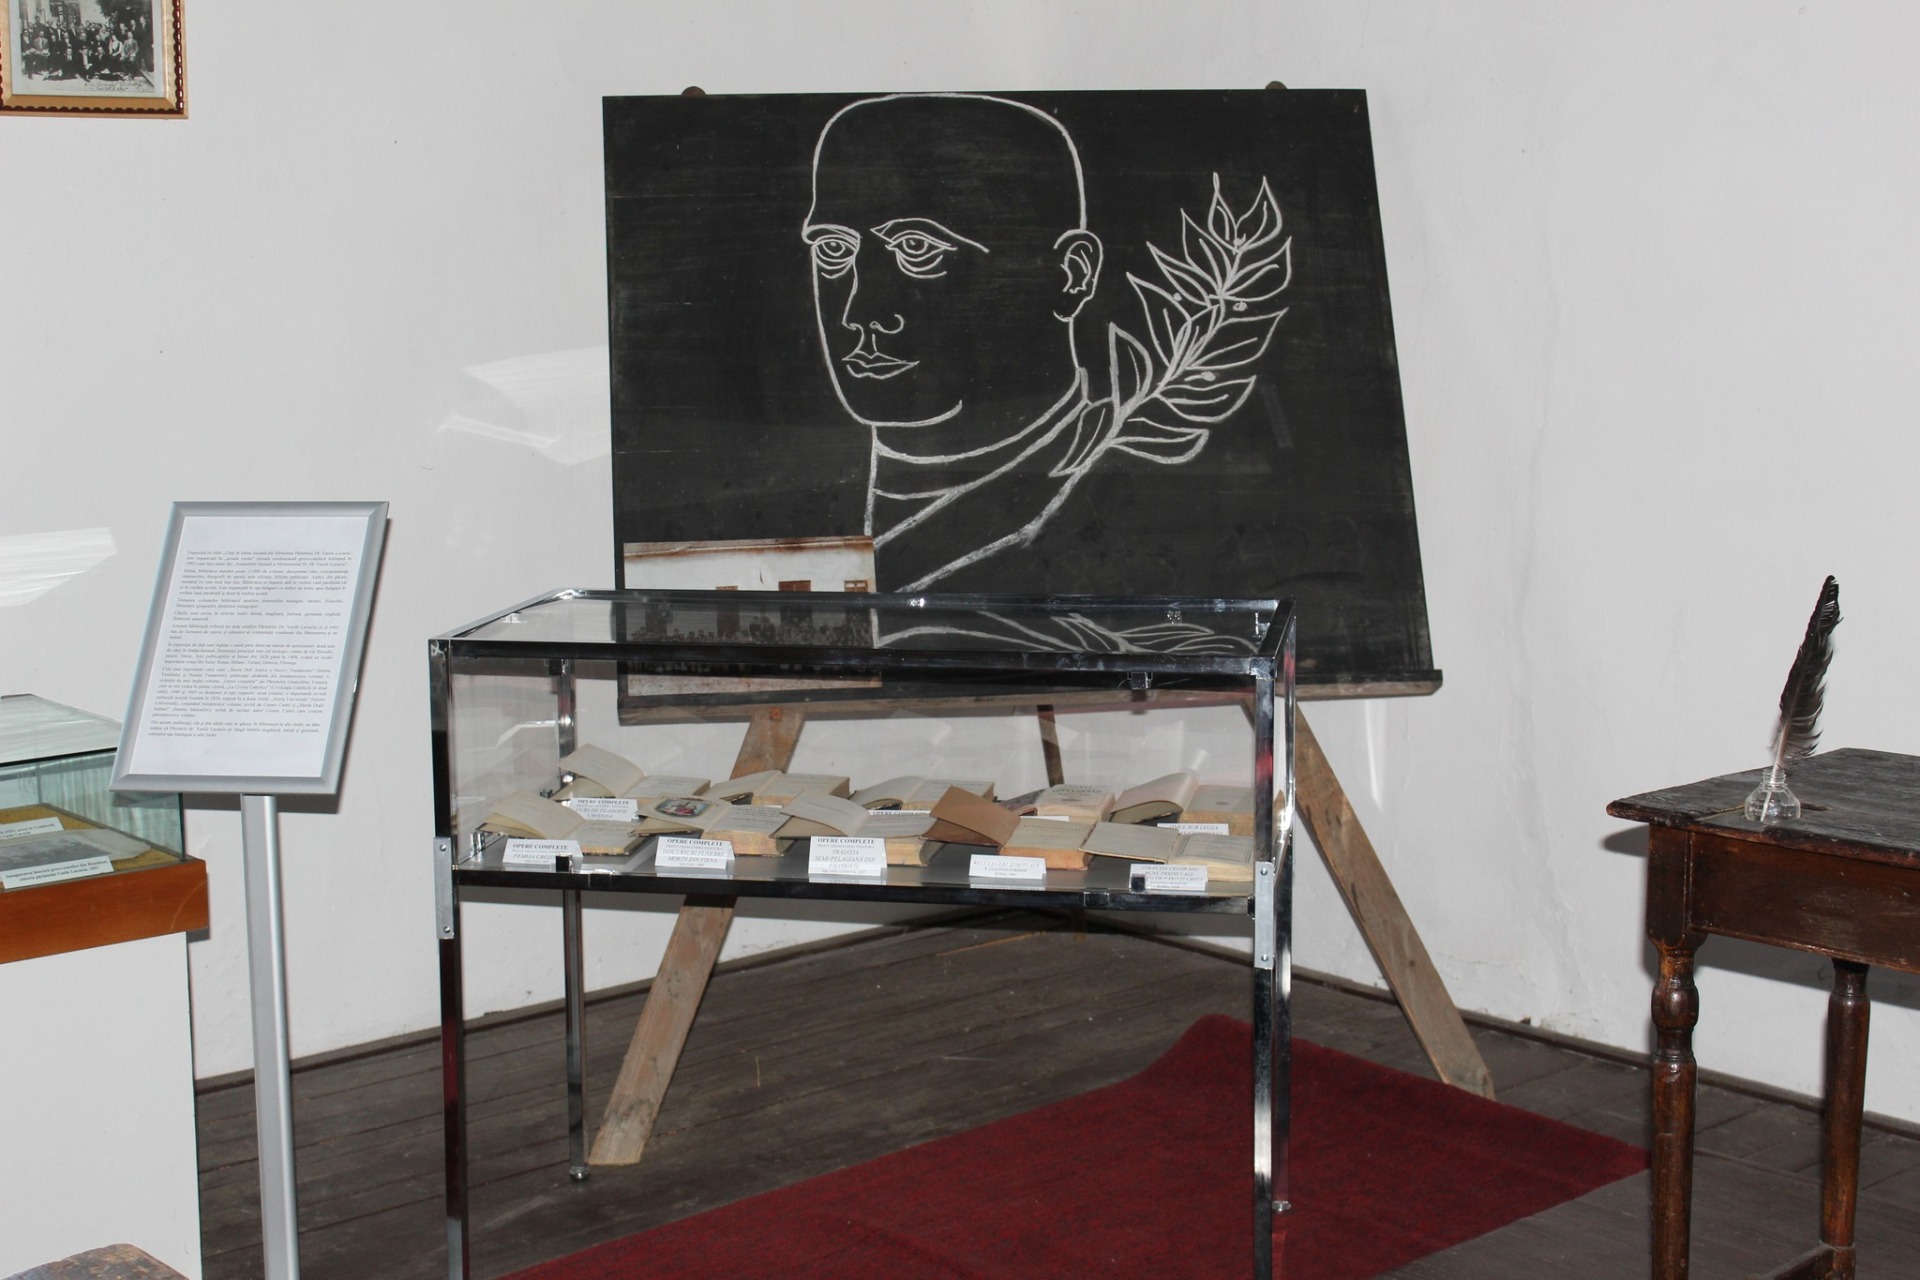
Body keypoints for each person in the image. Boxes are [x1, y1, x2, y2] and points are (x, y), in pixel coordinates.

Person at [803, 94, 1286, 596]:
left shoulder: (1151, 513)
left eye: (918, 248)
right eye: (833, 249)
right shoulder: (794, 508)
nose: (860, 313)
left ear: (1071, 275)